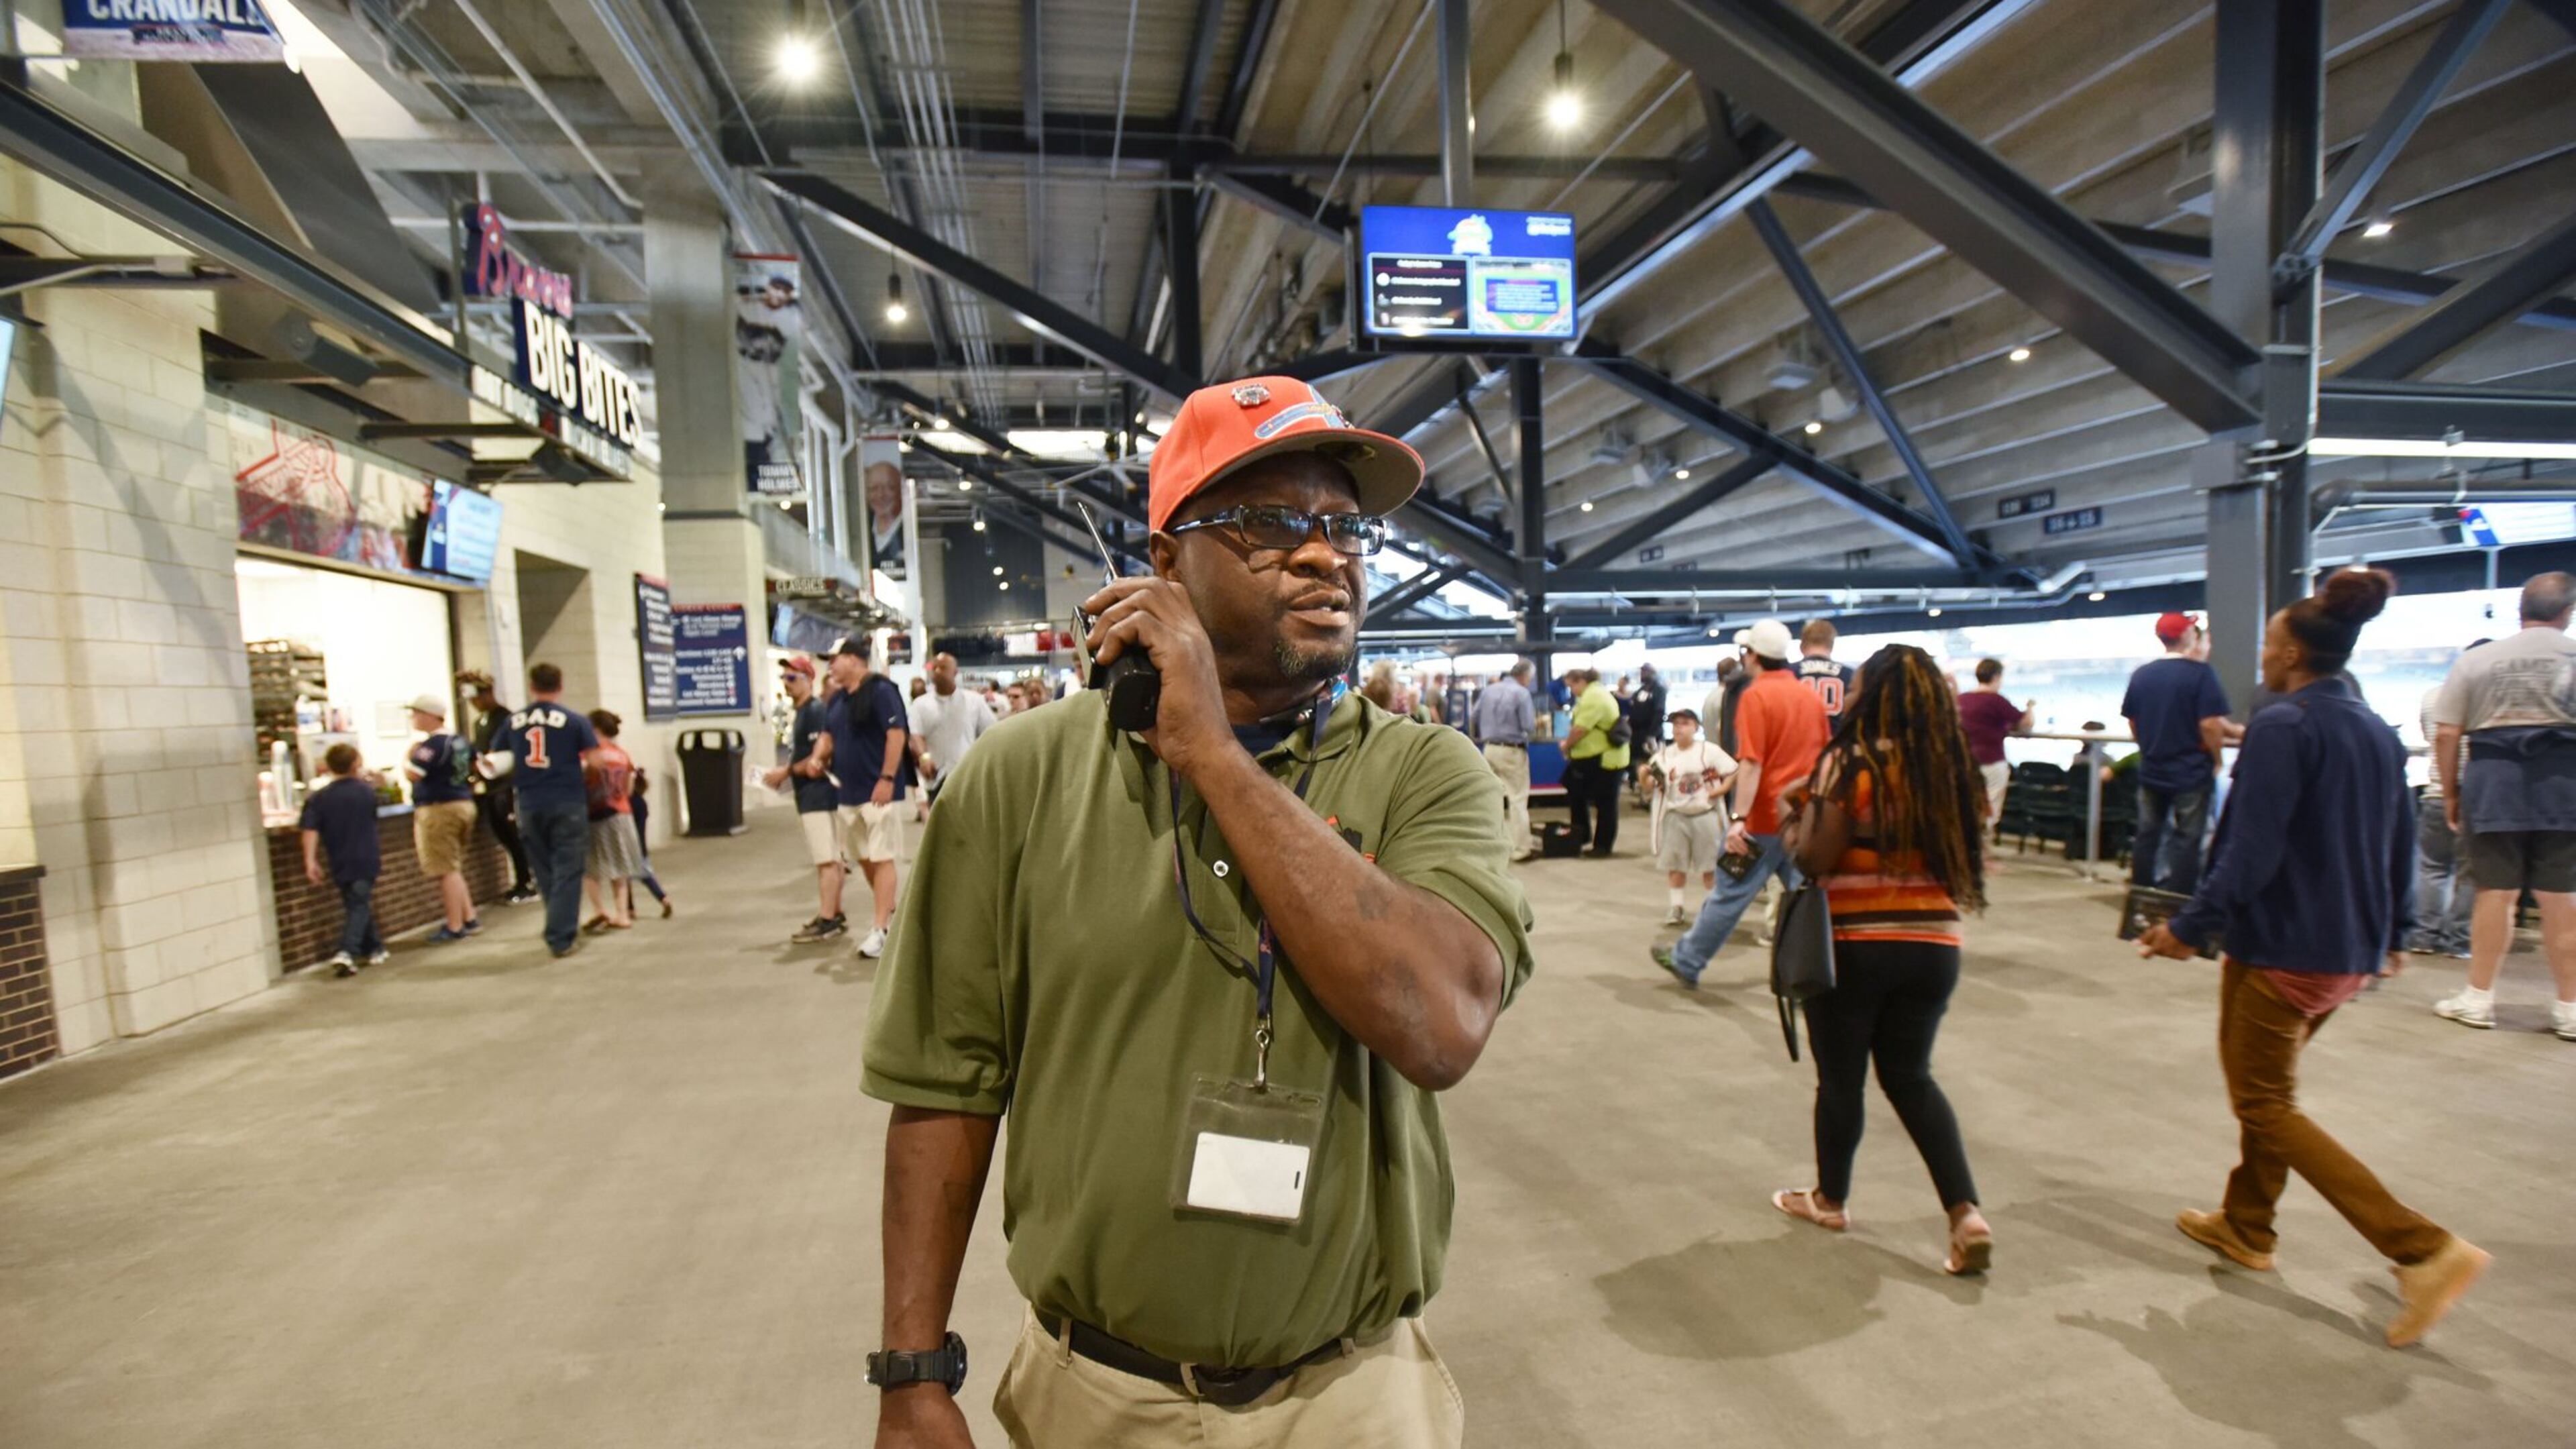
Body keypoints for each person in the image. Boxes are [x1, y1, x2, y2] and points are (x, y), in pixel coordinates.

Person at [860, 375, 1532, 1448]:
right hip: (1095, 1396)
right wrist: (912, 1372)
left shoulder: (1424, 773)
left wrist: (1212, 754)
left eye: (1343, 527)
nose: (1325, 555)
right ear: (1165, 563)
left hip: (1350, 1400)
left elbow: (1441, 1024)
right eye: (1270, 524)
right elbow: (946, 1085)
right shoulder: (1019, 779)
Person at [2138, 569, 2489, 1347]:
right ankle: (2247, 1224)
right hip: (2346, 950)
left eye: (2266, 643)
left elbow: (2249, 848)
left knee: (2265, 1104)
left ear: (2292, 651)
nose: (2260, 655)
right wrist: (2393, 931)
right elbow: (2396, 837)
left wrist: (2190, 926)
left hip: (2287, 945)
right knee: (2271, 1091)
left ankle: (2422, 1249)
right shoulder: (2371, 726)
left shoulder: (2285, 726)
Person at [1774, 645, 1993, 1275]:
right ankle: (1964, 1213)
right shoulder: (1954, 772)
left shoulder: (1850, 762)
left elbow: (1815, 856)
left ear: (1871, 697)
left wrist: (1796, 815)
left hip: (1854, 946)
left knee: (1841, 1080)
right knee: (1912, 1077)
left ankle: (1830, 1200)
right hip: (1934, 949)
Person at [2430, 574, 2576, 1039]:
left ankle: (2478, 998)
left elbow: (2448, 732)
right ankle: (2570, 1008)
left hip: (2494, 781)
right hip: (2564, 784)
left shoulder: (2478, 660)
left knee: (2496, 893)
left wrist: (2452, 794)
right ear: (2568, 612)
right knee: (2562, 898)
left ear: (2520, 610)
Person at [1654, 619, 1830, 989]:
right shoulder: (1808, 697)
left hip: (1763, 820)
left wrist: (1739, 819)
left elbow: (1752, 764)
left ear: (1751, 656)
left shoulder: (1756, 696)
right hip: (1802, 819)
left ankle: (1688, 960)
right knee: (1808, 898)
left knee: (1730, 893)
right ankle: (1814, 974)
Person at [2123, 612, 2235, 893]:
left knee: (2148, 835)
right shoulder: (2200, 674)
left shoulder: (2142, 674)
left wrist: (2147, 748)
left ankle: (2140, 898)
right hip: (2191, 771)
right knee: (2189, 837)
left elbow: (2134, 722)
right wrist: (2218, 759)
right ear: (2187, 636)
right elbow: (2209, 724)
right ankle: (2178, 900)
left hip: (2152, 768)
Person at [498, 662, 600, 959]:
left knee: (543, 869)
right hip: (567, 800)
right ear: (560, 685)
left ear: (532, 686)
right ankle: (559, 936)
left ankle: (556, 923)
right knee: (569, 869)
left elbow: (498, 759)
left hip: (529, 803)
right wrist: (584, 781)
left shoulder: (513, 721)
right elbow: (596, 763)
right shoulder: (574, 721)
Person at [818, 639, 910, 959]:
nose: (830, 665)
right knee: (864, 856)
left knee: (882, 855)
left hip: (878, 793)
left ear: (854, 659)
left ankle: (881, 928)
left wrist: (887, 778)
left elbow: (897, 735)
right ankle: (889, 912)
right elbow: (827, 735)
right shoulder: (838, 700)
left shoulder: (882, 692)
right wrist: (819, 756)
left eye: (835, 659)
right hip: (848, 793)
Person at [2407, 641, 2486, 960]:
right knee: (2472, 873)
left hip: (2435, 791)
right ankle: (2457, 940)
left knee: (2432, 868)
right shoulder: (2484, 701)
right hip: (2475, 795)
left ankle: (2424, 935)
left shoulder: (2431, 697)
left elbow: (2433, 738)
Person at [766, 657, 848, 943]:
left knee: (825, 859)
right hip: (813, 794)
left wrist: (785, 772)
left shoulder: (814, 712)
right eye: (784, 678)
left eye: (793, 678)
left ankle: (828, 919)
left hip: (818, 795)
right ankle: (834, 912)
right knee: (832, 858)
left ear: (808, 679)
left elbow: (818, 759)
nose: (787, 684)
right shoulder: (804, 713)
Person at [301, 742, 386, 979]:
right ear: (355, 764)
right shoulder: (366, 793)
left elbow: (310, 829)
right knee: (359, 903)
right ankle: (351, 951)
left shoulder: (319, 798)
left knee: (356, 903)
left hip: (339, 858)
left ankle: (370, 947)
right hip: (366, 856)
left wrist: (310, 861)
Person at [402, 693, 481, 943]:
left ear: (428, 715)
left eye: (415, 713)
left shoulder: (432, 745)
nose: (413, 718)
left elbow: (414, 774)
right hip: (463, 803)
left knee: (445, 868)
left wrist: (407, 757)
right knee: (454, 865)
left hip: (440, 809)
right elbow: (478, 768)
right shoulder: (460, 741)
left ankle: (454, 925)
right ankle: (469, 916)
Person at [1646, 708, 1733, 924]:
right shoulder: (1664, 755)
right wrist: (1643, 776)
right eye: (1676, 724)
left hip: (1705, 813)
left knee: (1710, 866)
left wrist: (1722, 790)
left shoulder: (1709, 750)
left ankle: (1712, 909)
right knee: (1676, 865)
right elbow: (1649, 786)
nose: (1679, 728)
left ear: (1696, 727)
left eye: (1685, 723)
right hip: (1676, 814)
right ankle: (1676, 907)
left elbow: (1733, 770)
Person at [458, 669, 537, 904]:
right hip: (490, 784)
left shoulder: (505, 718)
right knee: (502, 834)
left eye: (476, 698)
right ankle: (522, 879)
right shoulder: (479, 722)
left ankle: (528, 880)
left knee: (514, 834)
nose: (473, 704)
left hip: (507, 784)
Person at [582, 709, 644, 934]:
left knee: (590, 866)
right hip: (622, 813)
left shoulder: (589, 754)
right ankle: (623, 914)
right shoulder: (622, 754)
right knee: (621, 866)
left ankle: (599, 909)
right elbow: (628, 789)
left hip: (595, 814)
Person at [1956, 658, 2035, 836]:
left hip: (1965, 762)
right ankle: (1983, 852)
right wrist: (2030, 707)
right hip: (1991, 762)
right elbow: (2025, 724)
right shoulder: (1996, 701)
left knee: (1967, 808)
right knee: (1990, 809)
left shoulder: (1962, 699)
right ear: (1997, 676)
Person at [908, 651, 995, 809]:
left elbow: (991, 732)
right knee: (940, 825)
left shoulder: (974, 701)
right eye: (935, 668)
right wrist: (924, 757)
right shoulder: (920, 705)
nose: (938, 671)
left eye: (943, 667)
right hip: (937, 776)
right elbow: (916, 735)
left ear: (955, 672)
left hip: (968, 775)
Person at [1473, 659, 1540, 863]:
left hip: (1489, 749)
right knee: (1517, 799)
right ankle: (1520, 849)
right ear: (1526, 676)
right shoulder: (1522, 693)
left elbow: (1474, 716)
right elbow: (1528, 726)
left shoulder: (1488, 691)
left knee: (1491, 799)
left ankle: (1493, 847)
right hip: (1512, 751)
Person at [1562, 667, 1631, 857]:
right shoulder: (1593, 694)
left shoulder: (1594, 696)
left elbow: (1580, 729)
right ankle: (1582, 837)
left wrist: (1566, 746)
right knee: (1578, 794)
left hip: (1605, 759)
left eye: (1571, 686)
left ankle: (1602, 846)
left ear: (1580, 682)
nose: (1571, 691)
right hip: (1593, 758)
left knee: (1606, 803)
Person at [627, 765, 672, 918]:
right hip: (641, 846)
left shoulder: (628, 803)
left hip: (629, 845)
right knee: (646, 876)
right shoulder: (642, 803)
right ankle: (663, 899)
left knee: (623, 878)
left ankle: (630, 909)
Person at [1793, 619, 1856, 720]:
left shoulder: (1788, 672)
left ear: (1802, 646)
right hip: (1837, 735)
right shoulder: (1850, 675)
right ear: (1831, 646)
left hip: (1800, 735)